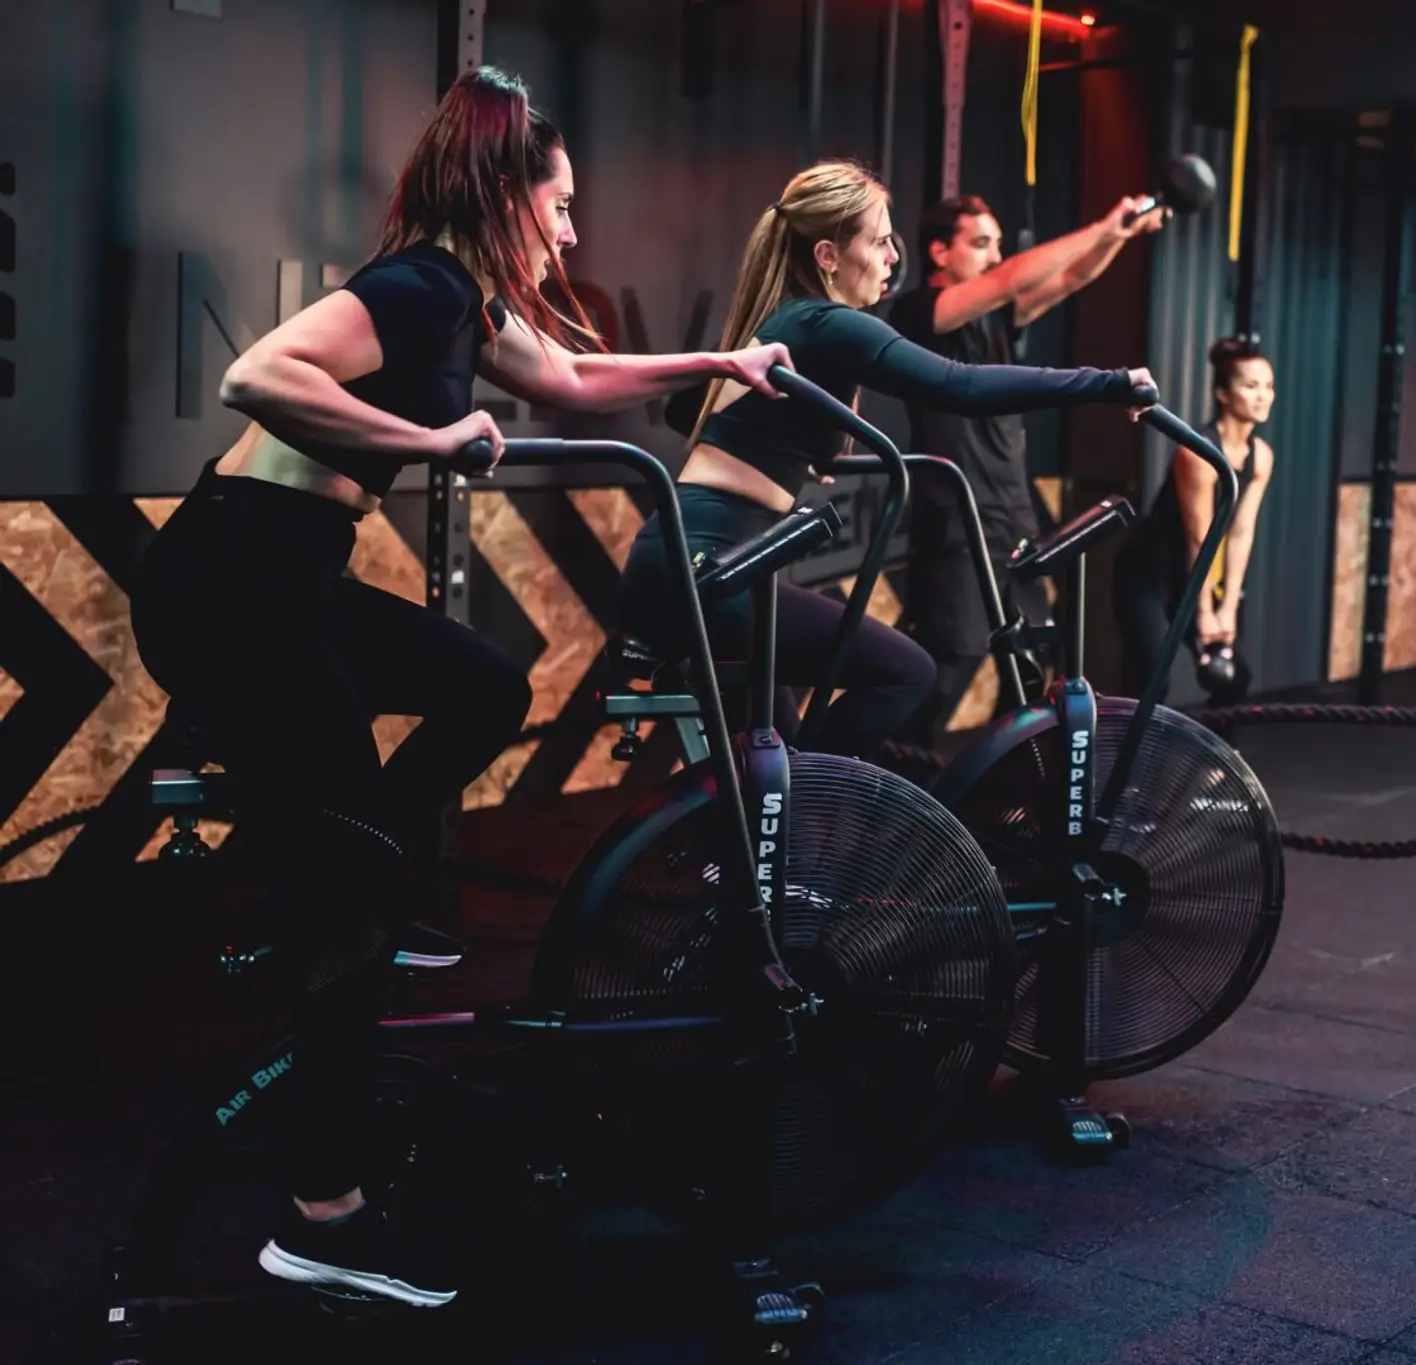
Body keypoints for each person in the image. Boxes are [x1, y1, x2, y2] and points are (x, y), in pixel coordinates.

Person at [128, 66, 790, 1307]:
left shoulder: (468, 305)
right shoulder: (417, 287)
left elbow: (577, 385)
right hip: (229, 590)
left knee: (486, 685)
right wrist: (431, 443)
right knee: (356, 899)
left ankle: (357, 853)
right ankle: (321, 1217)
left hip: (289, 584)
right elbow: (257, 377)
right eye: (562, 204)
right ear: (508, 194)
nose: (573, 228)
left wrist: (724, 361)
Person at [621, 160, 1158, 756]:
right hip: (711, 567)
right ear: (827, 255)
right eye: (878, 243)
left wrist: (800, 437)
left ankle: (806, 808)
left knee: (777, 772)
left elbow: (689, 412)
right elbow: (960, 386)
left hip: (693, 560)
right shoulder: (824, 322)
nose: (891, 259)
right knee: (908, 672)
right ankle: (834, 793)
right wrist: (1108, 384)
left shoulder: (787, 321)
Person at [887, 193, 1167, 737]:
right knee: (951, 663)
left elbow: (1068, 279)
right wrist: (1103, 220)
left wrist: (1118, 235)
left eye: (997, 244)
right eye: (980, 243)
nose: (993, 256)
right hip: (957, 516)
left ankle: (999, 787)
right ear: (939, 251)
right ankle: (889, 785)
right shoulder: (921, 312)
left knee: (1031, 662)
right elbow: (1013, 277)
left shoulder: (996, 322)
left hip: (1012, 514)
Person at [1111, 337, 1276, 703]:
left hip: (1194, 571)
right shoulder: (1198, 453)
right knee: (1152, 682)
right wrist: (1203, 613)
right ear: (1222, 393)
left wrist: (1228, 609)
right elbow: (1198, 539)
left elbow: (1240, 534)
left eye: (1268, 386)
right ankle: (1128, 759)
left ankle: (1214, 761)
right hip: (1149, 571)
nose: (1263, 396)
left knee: (1232, 679)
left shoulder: (1261, 456)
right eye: (1250, 386)